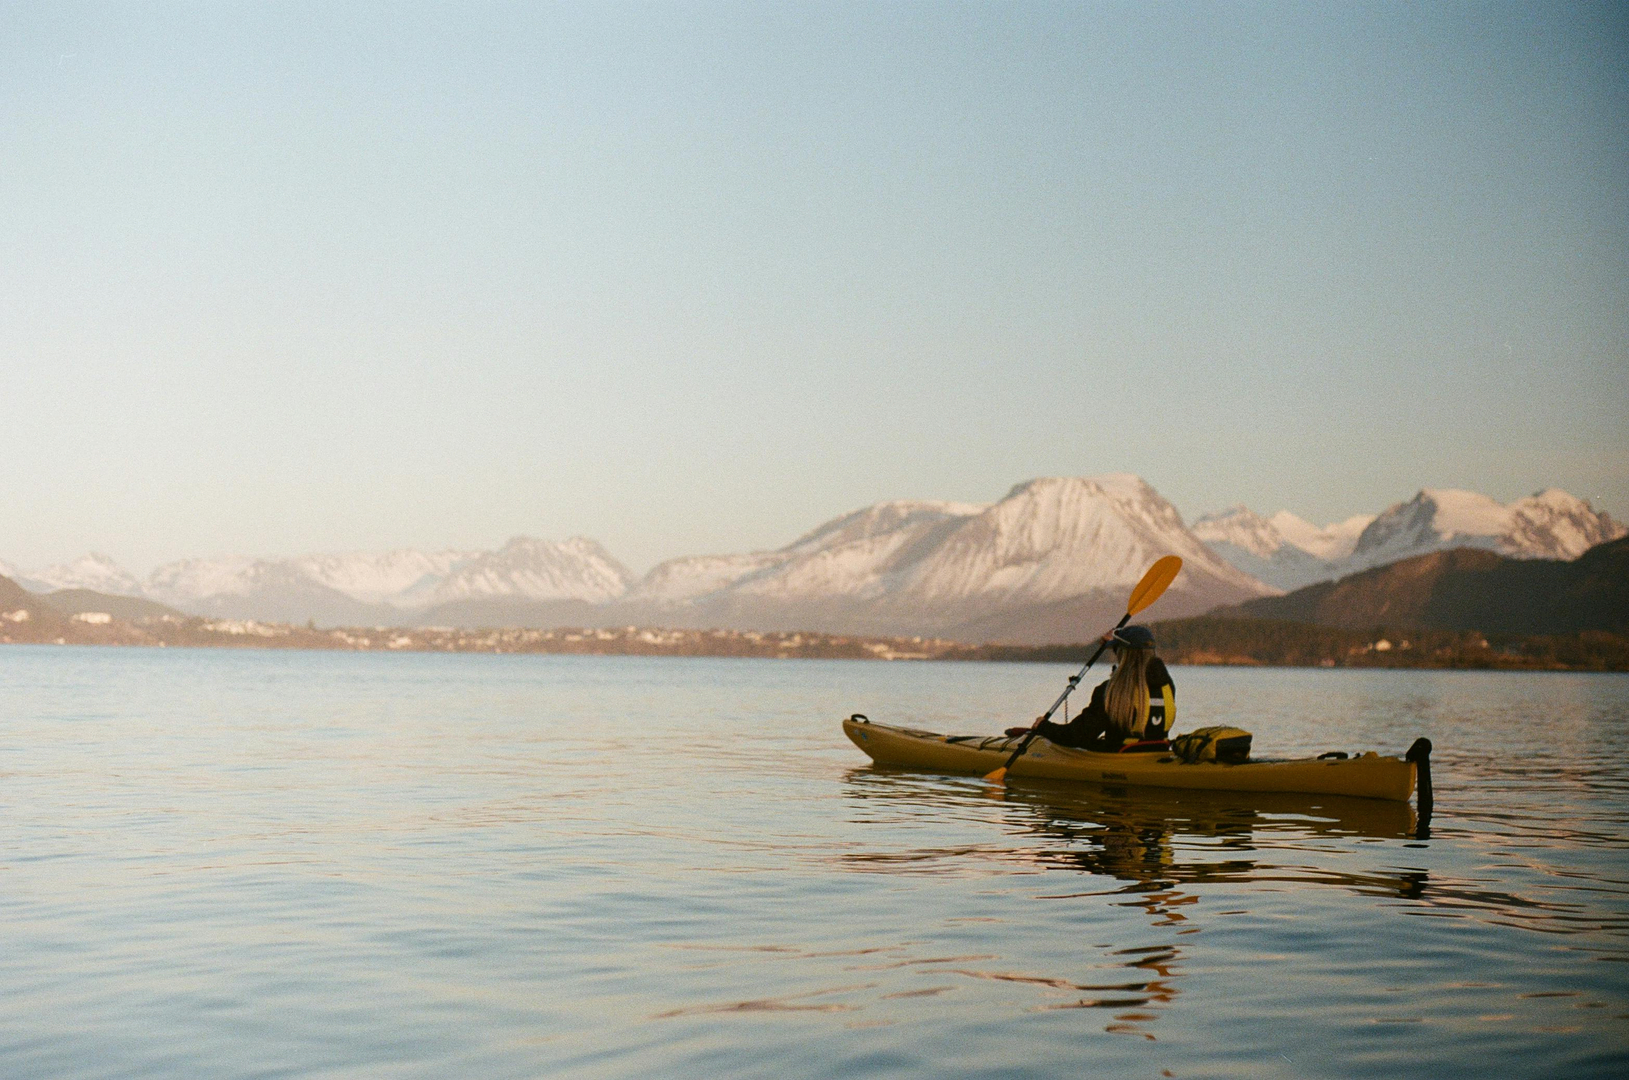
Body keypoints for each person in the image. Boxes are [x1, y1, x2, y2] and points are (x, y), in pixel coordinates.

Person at [1012, 624, 1176, 752]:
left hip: (1120, 758)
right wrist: (1114, 643)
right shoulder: (1167, 686)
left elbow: (1076, 737)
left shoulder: (1110, 692)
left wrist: (1043, 727)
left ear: (1122, 655)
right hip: (1156, 754)